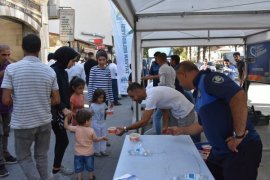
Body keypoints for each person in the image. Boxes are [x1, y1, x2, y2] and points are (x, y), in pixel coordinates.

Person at [172, 61, 262, 180]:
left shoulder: (208, 80)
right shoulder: (197, 93)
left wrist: (239, 136)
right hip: (219, 152)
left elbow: (239, 96)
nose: (180, 84)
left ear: (183, 74)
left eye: (178, 79)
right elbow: (201, 126)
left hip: (240, 149)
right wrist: (180, 130)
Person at [1, 34, 60, 179]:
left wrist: (22, 100)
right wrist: (41, 102)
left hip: (23, 122)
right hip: (44, 121)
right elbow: (57, 100)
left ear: (22, 48)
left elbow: (6, 100)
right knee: (41, 155)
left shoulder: (12, 69)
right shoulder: (49, 71)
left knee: (24, 157)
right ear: (39, 49)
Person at [116, 83, 197, 140]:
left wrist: (125, 129)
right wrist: (165, 126)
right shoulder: (151, 94)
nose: (133, 100)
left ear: (138, 91)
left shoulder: (151, 97)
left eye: (132, 96)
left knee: (182, 138)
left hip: (185, 112)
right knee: (173, 135)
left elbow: (144, 122)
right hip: (177, 112)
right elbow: (165, 111)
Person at [51, 46, 79, 176]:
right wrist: (63, 108)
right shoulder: (53, 71)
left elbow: (64, 91)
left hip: (63, 111)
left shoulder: (63, 71)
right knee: (63, 140)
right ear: (65, 58)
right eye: (72, 60)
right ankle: (56, 169)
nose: (73, 63)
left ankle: (57, 167)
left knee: (62, 140)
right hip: (56, 112)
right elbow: (52, 95)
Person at [64, 108, 108, 180]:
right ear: (86, 121)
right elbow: (96, 140)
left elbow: (66, 126)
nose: (91, 121)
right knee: (90, 167)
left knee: (79, 168)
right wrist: (103, 138)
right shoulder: (91, 130)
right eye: (90, 119)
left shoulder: (76, 128)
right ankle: (91, 177)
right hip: (89, 153)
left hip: (78, 153)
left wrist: (66, 117)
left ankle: (79, 178)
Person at [0, 45, 16, 177]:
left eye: (8, 54)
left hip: (6, 106)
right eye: (3, 55)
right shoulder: (7, 68)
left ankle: (5, 153)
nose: (6, 57)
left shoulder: (9, 65)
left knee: (6, 132)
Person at [90, 89, 109, 157]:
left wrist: (107, 112)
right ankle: (96, 151)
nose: (101, 99)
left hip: (103, 122)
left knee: (104, 136)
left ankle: (103, 150)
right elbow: (90, 114)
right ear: (95, 97)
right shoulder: (92, 105)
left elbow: (106, 111)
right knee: (97, 137)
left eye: (102, 98)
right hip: (95, 123)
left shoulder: (104, 104)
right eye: (100, 97)